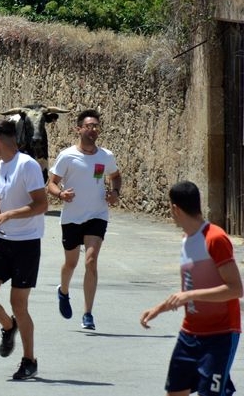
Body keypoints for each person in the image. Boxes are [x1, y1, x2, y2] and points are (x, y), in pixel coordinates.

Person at [140, 181, 242, 396]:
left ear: (175, 209)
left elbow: (235, 289)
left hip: (220, 334)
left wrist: (188, 295)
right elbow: (188, 288)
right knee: (175, 392)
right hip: (190, 334)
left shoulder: (215, 238)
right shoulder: (186, 240)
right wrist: (159, 308)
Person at [0, 119, 48, 380]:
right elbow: (3, 201)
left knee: (19, 304)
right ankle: (9, 327)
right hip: (0, 241)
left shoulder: (27, 165)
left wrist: (9, 215)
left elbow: (42, 205)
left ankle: (29, 360)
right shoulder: (2, 166)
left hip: (26, 243)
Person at [47, 109, 122, 330]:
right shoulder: (67, 156)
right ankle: (63, 291)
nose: (93, 130)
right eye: (88, 126)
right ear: (78, 129)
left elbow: (115, 176)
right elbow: (51, 183)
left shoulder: (105, 156)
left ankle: (88, 313)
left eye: (96, 126)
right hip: (72, 217)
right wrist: (60, 194)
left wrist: (115, 193)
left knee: (91, 261)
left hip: (97, 214)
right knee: (71, 263)